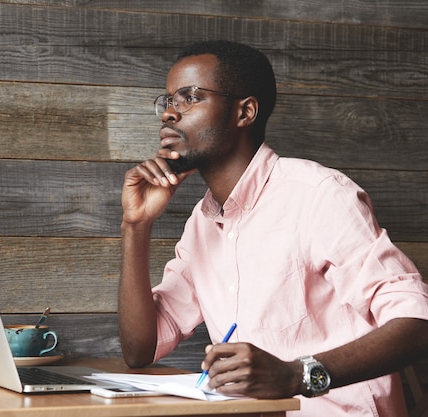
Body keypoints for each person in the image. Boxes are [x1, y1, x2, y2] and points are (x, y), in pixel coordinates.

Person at [119, 40, 428, 416]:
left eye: (189, 97)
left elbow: (417, 322)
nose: (169, 114)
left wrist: (298, 375)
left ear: (244, 111)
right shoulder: (202, 223)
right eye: (167, 101)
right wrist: (135, 225)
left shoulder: (319, 195)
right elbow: (140, 350)